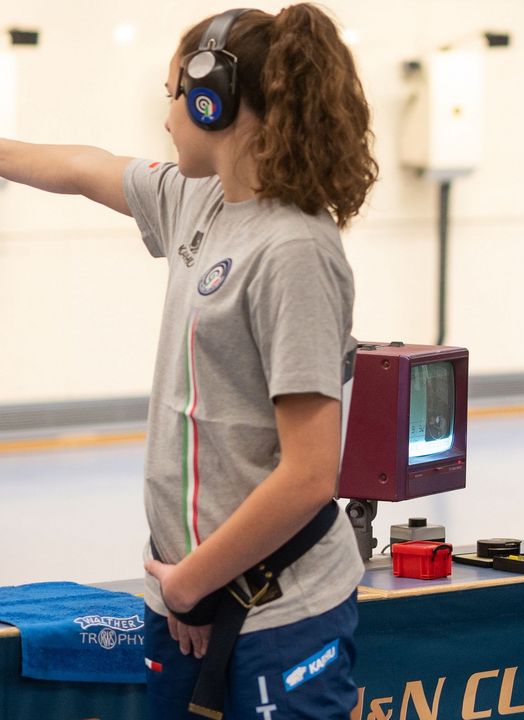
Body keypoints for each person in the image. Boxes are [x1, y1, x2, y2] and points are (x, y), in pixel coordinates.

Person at [0, 5, 376, 717]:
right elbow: (85, 167)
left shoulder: (292, 250)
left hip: (273, 611)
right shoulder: (200, 202)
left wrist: (187, 583)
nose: (167, 114)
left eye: (174, 93)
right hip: (193, 595)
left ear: (215, 100)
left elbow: (309, 474)